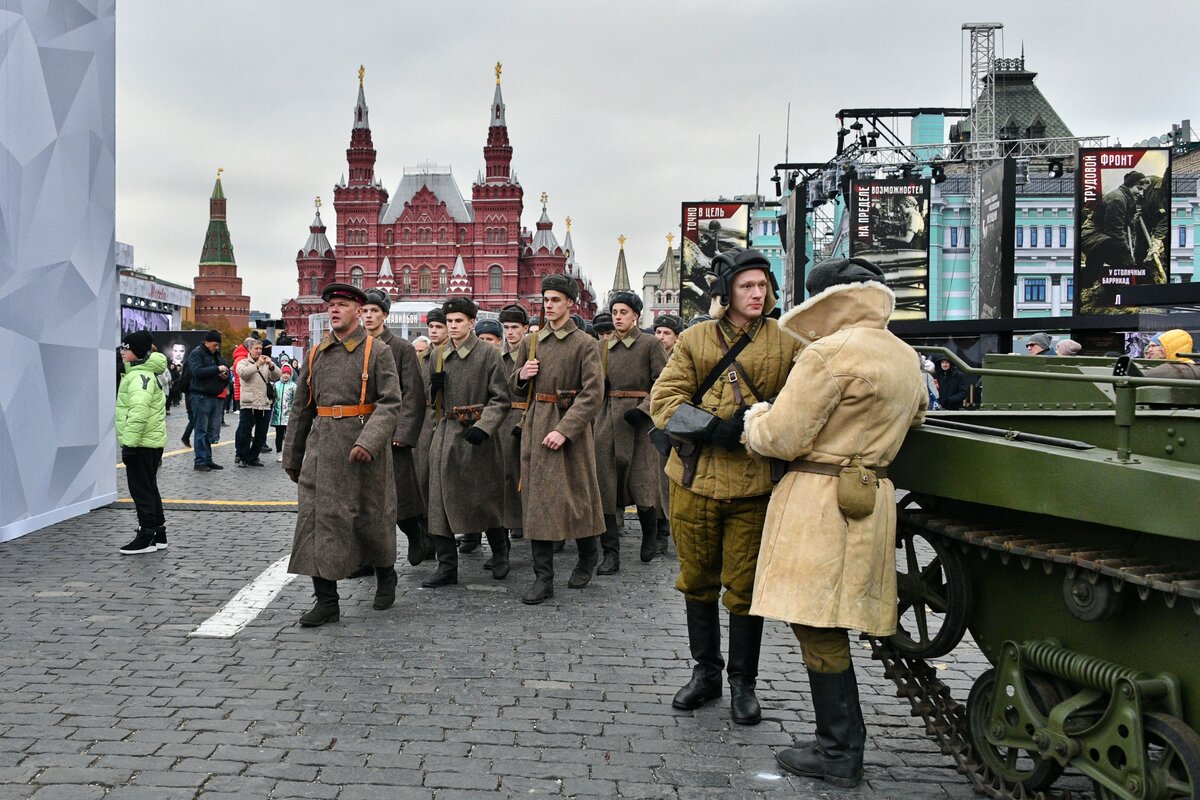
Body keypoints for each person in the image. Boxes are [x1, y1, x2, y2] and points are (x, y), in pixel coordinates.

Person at [743, 257, 927, 788]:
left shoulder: (830, 353)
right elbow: (916, 418)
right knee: (829, 615)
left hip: (819, 498)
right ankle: (839, 741)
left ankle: (839, 748)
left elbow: (781, 435)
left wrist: (756, 418)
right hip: (870, 493)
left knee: (815, 621)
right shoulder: (902, 353)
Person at [650, 247, 801, 726]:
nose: (757, 294)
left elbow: (806, 400)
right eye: (746, 286)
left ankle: (742, 683)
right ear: (726, 292)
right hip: (695, 481)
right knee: (696, 580)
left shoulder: (788, 341)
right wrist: (716, 428)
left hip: (754, 486)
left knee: (744, 588)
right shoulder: (696, 340)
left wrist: (766, 421)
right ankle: (705, 673)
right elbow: (664, 400)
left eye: (762, 286)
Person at [283, 283, 403, 625]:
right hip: (322, 451)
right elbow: (301, 408)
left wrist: (370, 441)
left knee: (371, 517)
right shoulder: (316, 353)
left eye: (341, 305)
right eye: (331, 305)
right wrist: (293, 455)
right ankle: (326, 600)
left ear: (359, 311)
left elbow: (391, 402)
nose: (334, 310)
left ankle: (386, 573)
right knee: (315, 521)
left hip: (363, 450)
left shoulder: (376, 352)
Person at [511, 274, 605, 604]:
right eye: (545, 300)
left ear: (569, 303)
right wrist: (522, 376)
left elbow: (593, 394)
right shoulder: (530, 342)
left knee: (577, 497)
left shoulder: (584, 343)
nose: (548, 306)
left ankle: (587, 555)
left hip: (570, 431)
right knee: (538, 499)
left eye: (555, 300)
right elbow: (514, 386)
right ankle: (543, 577)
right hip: (537, 425)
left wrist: (564, 430)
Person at [422, 297, 512, 587]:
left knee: (483, 499)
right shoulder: (438, 355)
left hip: (478, 439)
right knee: (438, 501)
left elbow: (501, 398)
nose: (453, 326)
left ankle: (500, 552)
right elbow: (428, 401)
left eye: (459, 321)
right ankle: (447, 566)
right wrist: (432, 390)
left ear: (472, 322)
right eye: (449, 321)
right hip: (446, 433)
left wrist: (484, 426)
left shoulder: (488, 353)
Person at [594, 291, 667, 574]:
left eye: (624, 312)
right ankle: (610, 552)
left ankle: (650, 535)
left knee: (643, 483)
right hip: (608, 419)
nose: (618, 317)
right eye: (615, 312)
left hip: (639, 425)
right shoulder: (603, 347)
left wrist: (645, 408)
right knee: (606, 486)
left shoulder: (649, 344)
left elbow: (663, 382)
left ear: (636, 315)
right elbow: (595, 384)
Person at [360, 289, 432, 568]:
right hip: (361, 431)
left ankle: (418, 537)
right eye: (364, 311)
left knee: (402, 497)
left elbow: (413, 395)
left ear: (384, 315)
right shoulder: (353, 345)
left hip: (391, 434)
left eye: (374, 311)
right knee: (364, 499)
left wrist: (404, 433)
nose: (368, 316)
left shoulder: (401, 348)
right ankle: (367, 559)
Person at [116, 331, 169, 554]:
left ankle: (146, 534)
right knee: (149, 487)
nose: (122, 352)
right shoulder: (143, 374)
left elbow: (138, 412)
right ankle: (158, 533)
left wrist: (129, 444)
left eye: (126, 348)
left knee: (141, 490)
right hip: (149, 442)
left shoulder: (139, 378)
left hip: (141, 443)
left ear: (137, 352)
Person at [651, 313, 683, 555]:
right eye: (658, 332)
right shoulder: (652, 354)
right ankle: (660, 531)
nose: (661, 337)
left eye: (666, 333)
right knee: (655, 481)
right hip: (652, 426)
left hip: (675, 427)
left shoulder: (680, 359)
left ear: (677, 337)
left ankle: (668, 530)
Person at [498, 304, 530, 546]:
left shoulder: (532, 355)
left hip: (526, 418)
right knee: (505, 474)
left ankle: (523, 520)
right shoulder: (498, 355)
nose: (510, 332)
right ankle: (510, 521)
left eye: (514, 327)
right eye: (506, 327)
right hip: (501, 419)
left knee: (526, 473)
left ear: (525, 329)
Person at [186, 331, 229, 471]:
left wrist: (223, 376)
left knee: (209, 431)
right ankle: (199, 461)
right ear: (207, 342)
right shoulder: (196, 354)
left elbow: (214, 373)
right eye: (215, 344)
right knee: (201, 430)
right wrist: (217, 369)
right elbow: (197, 372)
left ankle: (207, 459)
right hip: (200, 397)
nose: (216, 348)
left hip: (212, 397)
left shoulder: (214, 355)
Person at [235, 338, 281, 468]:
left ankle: (253, 457)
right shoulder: (243, 362)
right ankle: (243, 457)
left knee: (261, 433)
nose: (259, 351)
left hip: (264, 403)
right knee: (245, 432)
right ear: (249, 349)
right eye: (256, 348)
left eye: (260, 349)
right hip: (248, 403)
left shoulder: (266, 363)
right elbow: (243, 374)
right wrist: (257, 365)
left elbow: (278, 375)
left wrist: (271, 365)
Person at [271, 365, 297, 462]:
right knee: (279, 435)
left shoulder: (293, 386)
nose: (286, 375)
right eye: (284, 373)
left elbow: (295, 401)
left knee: (289, 436)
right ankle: (279, 453)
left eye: (288, 373)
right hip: (278, 415)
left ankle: (288, 453)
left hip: (289, 415)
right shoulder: (276, 385)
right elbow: (273, 398)